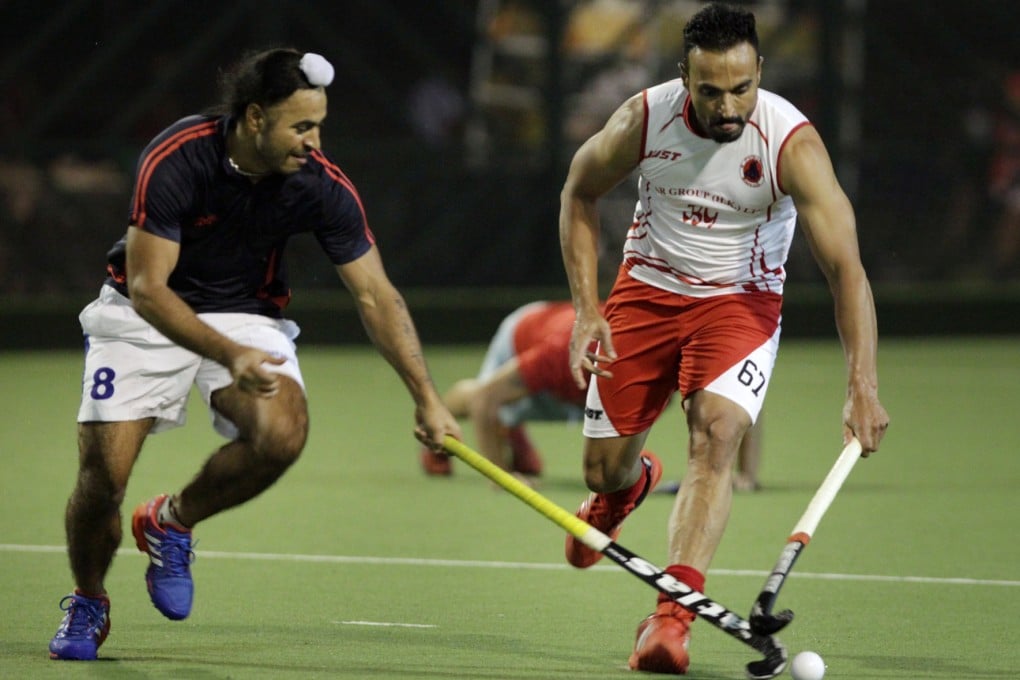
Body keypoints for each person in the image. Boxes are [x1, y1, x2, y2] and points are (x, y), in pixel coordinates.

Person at [48, 48, 461, 661]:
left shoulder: (319, 183)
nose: (314, 141)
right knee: (103, 479)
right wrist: (225, 353)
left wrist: (427, 398)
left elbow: (376, 295)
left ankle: (171, 521)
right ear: (254, 118)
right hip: (143, 312)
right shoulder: (178, 158)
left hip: (246, 312)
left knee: (282, 434)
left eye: (319, 124)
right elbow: (147, 288)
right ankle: (89, 600)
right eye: (301, 126)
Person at [557, 4, 888, 675]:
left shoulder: (790, 143)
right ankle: (625, 488)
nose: (729, 105)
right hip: (647, 291)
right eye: (711, 91)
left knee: (716, 436)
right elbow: (578, 192)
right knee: (600, 469)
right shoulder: (644, 119)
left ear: (759, 70)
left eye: (742, 87)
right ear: (685, 77)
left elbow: (846, 270)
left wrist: (862, 384)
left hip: (741, 304)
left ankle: (670, 619)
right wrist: (588, 308)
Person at [420, 300, 765, 491]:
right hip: (526, 336)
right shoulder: (560, 353)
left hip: (578, 386)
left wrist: (745, 475)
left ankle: (510, 426)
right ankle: (439, 417)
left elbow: (739, 399)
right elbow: (485, 400)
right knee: (484, 399)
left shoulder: (674, 353)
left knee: (526, 412)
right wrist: (500, 476)